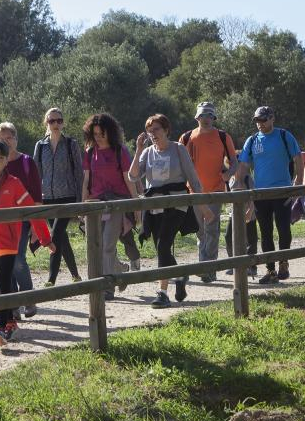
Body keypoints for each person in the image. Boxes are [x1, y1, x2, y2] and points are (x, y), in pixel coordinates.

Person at [0, 139, 55, 346]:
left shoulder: (14, 184)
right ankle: (11, 323)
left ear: (7, 161)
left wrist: (45, 239)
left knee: (3, 282)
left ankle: (0, 326)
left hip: (9, 243)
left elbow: (32, 211)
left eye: (0, 158)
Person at [131, 113, 203, 308]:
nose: (153, 134)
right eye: (149, 131)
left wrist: (203, 205)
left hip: (176, 205)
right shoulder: (147, 152)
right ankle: (180, 275)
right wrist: (138, 150)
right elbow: (133, 176)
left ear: (166, 130)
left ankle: (162, 293)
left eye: (156, 129)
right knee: (160, 248)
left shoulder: (178, 149)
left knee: (163, 246)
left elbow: (193, 178)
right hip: (154, 206)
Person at [235, 106, 303, 284]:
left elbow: (298, 159)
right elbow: (243, 166)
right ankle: (270, 270)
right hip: (261, 194)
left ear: (272, 118)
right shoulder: (252, 140)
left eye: (263, 120)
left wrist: (297, 184)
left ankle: (283, 263)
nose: (260, 124)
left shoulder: (284, 136)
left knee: (283, 229)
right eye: (257, 121)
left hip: (283, 191)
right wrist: (239, 184)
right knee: (265, 233)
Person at [0, 122, 44, 318]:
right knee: (3, 263)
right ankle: (12, 305)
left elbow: (36, 196)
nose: (6, 141)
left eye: (9, 137)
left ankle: (28, 298)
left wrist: (37, 225)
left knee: (17, 259)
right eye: (1, 138)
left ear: (16, 139)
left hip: (22, 222)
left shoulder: (26, 162)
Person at [81, 112, 140, 300]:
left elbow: (128, 179)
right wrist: (83, 206)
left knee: (107, 245)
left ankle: (108, 287)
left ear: (110, 132)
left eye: (102, 134)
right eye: (95, 134)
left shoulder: (119, 151)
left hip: (116, 204)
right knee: (96, 246)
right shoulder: (90, 152)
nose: (98, 137)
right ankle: (120, 269)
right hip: (96, 204)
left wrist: (136, 205)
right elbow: (86, 181)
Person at [177, 101, 237, 282]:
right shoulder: (186, 137)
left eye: (210, 115)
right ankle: (205, 266)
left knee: (211, 229)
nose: (206, 118)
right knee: (200, 230)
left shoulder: (223, 136)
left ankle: (208, 268)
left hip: (215, 190)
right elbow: (179, 164)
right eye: (203, 115)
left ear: (214, 117)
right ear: (197, 117)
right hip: (194, 191)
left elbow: (234, 162)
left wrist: (228, 175)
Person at [33, 107, 84, 287]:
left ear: (63, 123)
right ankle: (76, 275)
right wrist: (36, 199)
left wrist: (80, 201)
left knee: (55, 235)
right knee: (62, 238)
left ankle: (51, 279)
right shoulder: (40, 146)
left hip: (67, 197)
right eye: (52, 121)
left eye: (59, 120)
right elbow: (36, 174)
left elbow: (79, 173)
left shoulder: (71, 144)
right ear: (46, 123)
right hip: (47, 197)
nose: (56, 124)